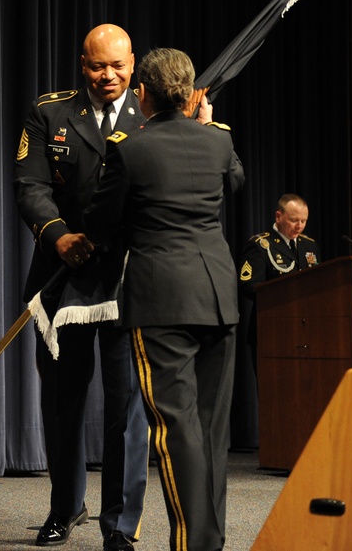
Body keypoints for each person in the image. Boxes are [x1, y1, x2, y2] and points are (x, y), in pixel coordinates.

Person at [83, 48, 245, 551]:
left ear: (143, 93)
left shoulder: (130, 149)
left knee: (177, 433)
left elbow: (101, 227)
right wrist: (208, 123)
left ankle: (194, 546)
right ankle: (208, 544)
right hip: (218, 296)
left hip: (161, 304)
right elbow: (234, 180)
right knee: (211, 435)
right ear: (192, 92)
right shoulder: (218, 143)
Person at [14, 24, 150, 550]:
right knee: (62, 400)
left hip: (126, 280)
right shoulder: (50, 113)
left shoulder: (153, 116)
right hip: (62, 276)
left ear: (133, 64)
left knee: (125, 405)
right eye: (97, 66)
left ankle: (118, 524)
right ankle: (65, 506)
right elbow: (30, 185)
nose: (108, 75)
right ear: (82, 63)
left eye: (117, 66)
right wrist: (58, 235)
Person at [238, 194, 322, 373]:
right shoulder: (261, 245)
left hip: (306, 331)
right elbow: (248, 285)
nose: (299, 226)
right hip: (272, 328)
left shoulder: (309, 246)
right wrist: (283, 295)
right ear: (278, 216)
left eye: (303, 221)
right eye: (293, 220)